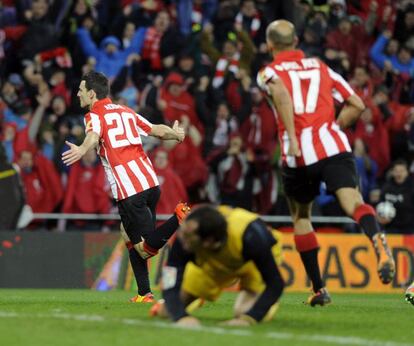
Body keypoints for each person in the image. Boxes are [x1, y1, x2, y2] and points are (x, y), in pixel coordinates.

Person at [257, 20, 395, 306]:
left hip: (297, 156)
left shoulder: (268, 71)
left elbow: (281, 93)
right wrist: (334, 128)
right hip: (333, 146)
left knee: (302, 217)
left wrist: (295, 138)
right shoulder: (320, 67)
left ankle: (318, 288)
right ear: (295, 41)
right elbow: (356, 104)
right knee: (354, 203)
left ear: (270, 45)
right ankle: (378, 239)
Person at [62, 71, 189, 303]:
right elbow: (157, 130)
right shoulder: (126, 111)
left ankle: (178, 218)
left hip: (129, 189)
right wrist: (176, 134)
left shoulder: (94, 114)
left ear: (92, 94)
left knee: (145, 248)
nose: (77, 94)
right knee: (127, 233)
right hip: (150, 182)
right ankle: (144, 293)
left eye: (81, 90)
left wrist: (82, 149)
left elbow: (93, 135)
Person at [150, 204, 284, 327]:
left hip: (251, 263)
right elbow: (169, 278)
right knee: (166, 311)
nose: (181, 239)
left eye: (188, 237)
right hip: (214, 261)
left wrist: (249, 318)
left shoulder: (251, 236)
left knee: (242, 312)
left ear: (208, 241)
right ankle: (196, 294)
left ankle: (266, 301)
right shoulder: (187, 237)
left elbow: (275, 283)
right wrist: (181, 317)